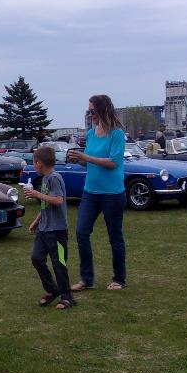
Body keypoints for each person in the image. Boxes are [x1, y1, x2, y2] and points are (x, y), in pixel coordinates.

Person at [67, 94, 127, 292]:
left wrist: (86, 157)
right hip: (90, 192)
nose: (90, 114)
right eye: (89, 111)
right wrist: (79, 160)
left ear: (103, 109)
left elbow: (113, 163)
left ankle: (119, 279)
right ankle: (87, 279)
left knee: (115, 237)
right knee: (81, 233)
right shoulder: (92, 133)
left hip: (112, 194)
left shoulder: (117, 134)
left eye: (93, 110)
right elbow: (91, 161)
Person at [25, 146, 73, 309]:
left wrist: (36, 194)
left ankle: (67, 297)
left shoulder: (54, 178)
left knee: (59, 263)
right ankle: (52, 290)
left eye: (34, 162)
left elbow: (58, 200)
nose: (34, 165)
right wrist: (36, 220)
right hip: (44, 229)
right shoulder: (45, 179)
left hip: (57, 231)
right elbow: (47, 203)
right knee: (36, 259)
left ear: (39, 163)